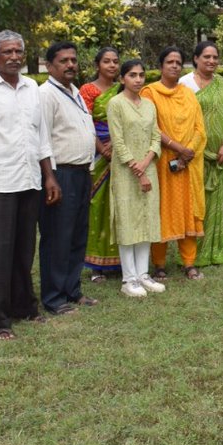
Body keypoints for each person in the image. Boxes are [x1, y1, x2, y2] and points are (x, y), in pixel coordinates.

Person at [0, 30, 59, 340]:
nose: (15, 56)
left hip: (29, 180)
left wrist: (49, 175)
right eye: (7, 52)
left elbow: (40, 136)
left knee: (23, 249)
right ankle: (0, 320)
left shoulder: (33, 87)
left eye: (19, 51)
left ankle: (25, 307)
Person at [37, 42, 98, 314]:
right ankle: (54, 297)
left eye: (73, 60)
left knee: (76, 235)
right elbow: (42, 139)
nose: (71, 65)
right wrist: (49, 177)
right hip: (59, 174)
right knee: (57, 237)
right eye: (64, 61)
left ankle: (72, 290)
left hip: (82, 173)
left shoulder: (75, 92)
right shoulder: (45, 94)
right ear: (49, 66)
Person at [142, 47, 207, 279]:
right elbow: (150, 126)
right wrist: (177, 148)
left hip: (187, 164)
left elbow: (200, 128)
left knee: (188, 211)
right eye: (169, 61)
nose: (175, 66)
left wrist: (187, 153)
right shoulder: (149, 93)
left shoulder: (188, 94)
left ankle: (189, 263)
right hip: (161, 163)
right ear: (161, 66)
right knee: (162, 211)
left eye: (179, 62)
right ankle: (159, 264)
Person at [106, 60, 165, 297]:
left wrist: (146, 161)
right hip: (125, 171)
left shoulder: (150, 105)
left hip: (148, 167)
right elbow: (117, 142)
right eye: (132, 75)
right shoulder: (115, 104)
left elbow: (156, 136)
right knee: (128, 221)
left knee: (148, 220)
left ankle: (143, 274)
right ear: (122, 79)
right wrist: (136, 167)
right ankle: (128, 279)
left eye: (141, 75)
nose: (138, 79)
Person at [179, 41, 223, 267]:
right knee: (196, 202)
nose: (211, 61)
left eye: (215, 57)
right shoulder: (185, 83)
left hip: (219, 154)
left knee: (216, 203)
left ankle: (216, 250)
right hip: (195, 154)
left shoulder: (222, 83)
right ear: (196, 59)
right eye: (206, 57)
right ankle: (195, 253)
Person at [79, 47, 122, 280]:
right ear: (98, 64)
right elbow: (86, 122)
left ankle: (120, 261)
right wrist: (102, 148)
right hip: (98, 153)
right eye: (107, 61)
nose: (112, 66)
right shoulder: (88, 90)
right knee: (98, 207)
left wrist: (117, 145)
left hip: (122, 152)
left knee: (119, 206)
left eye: (115, 61)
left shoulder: (122, 88)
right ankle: (96, 265)